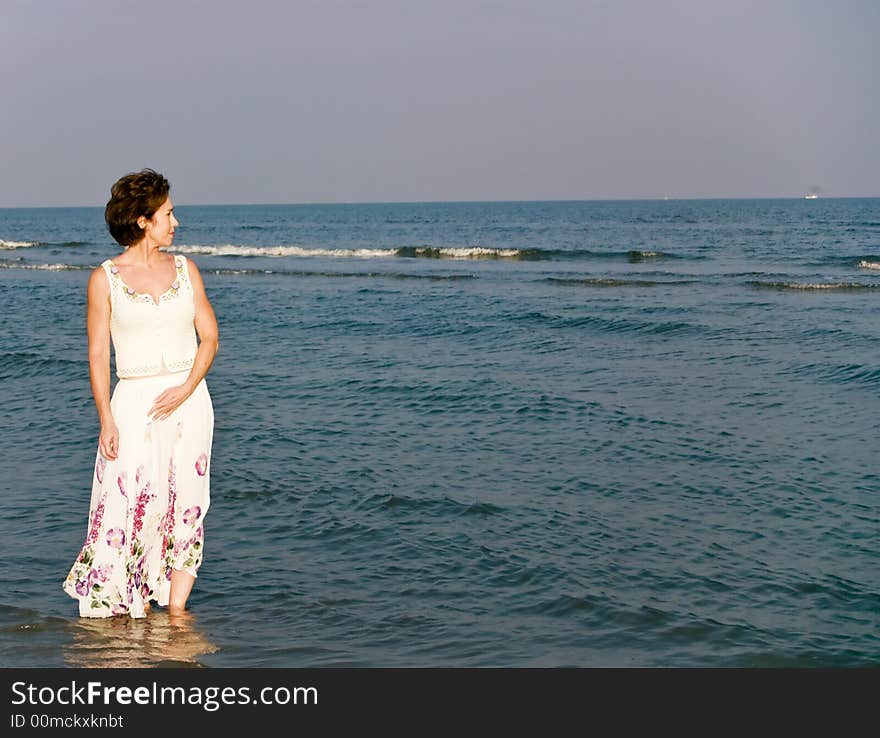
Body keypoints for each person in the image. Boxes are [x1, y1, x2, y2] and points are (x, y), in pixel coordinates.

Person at [63, 169, 219, 618]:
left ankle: (176, 613)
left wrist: (186, 389)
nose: (177, 222)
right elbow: (97, 356)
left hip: (189, 404)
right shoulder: (104, 279)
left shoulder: (186, 270)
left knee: (187, 503)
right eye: (168, 213)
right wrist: (105, 420)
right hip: (132, 406)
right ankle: (130, 603)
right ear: (143, 220)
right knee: (132, 503)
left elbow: (209, 338)